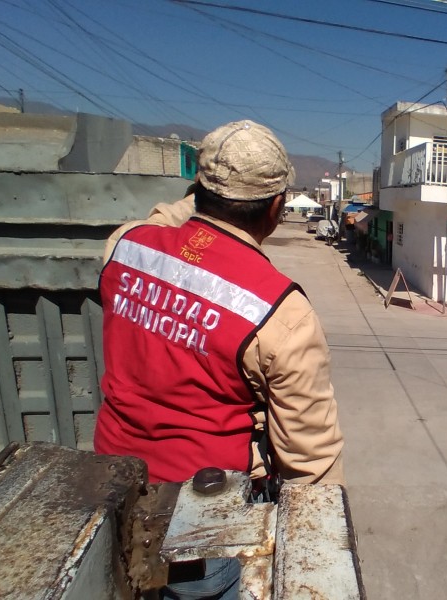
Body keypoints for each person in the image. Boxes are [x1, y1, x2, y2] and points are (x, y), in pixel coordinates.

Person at [94, 120, 344, 599]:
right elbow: (310, 459)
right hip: (204, 519)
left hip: (114, 484)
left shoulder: (125, 247)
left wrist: (206, 195)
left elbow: (163, 220)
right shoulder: (281, 310)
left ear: (197, 189)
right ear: (276, 207)